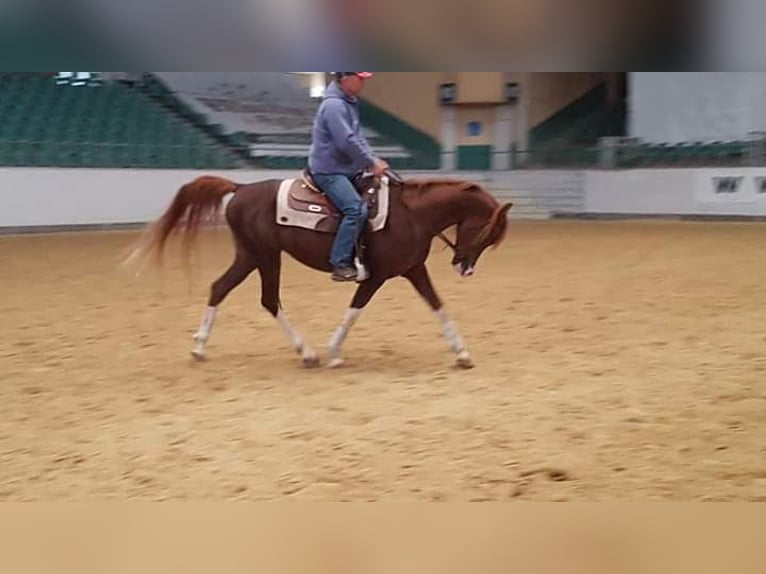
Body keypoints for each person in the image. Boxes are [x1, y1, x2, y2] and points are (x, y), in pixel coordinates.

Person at [308, 72, 390, 282]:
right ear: (345, 78)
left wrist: (372, 159)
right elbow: (346, 140)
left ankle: (364, 254)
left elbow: (358, 138)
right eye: (360, 78)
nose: (363, 82)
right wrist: (371, 163)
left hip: (346, 168)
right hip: (329, 170)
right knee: (355, 209)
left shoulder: (348, 102)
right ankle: (340, 262)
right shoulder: (335, 106)